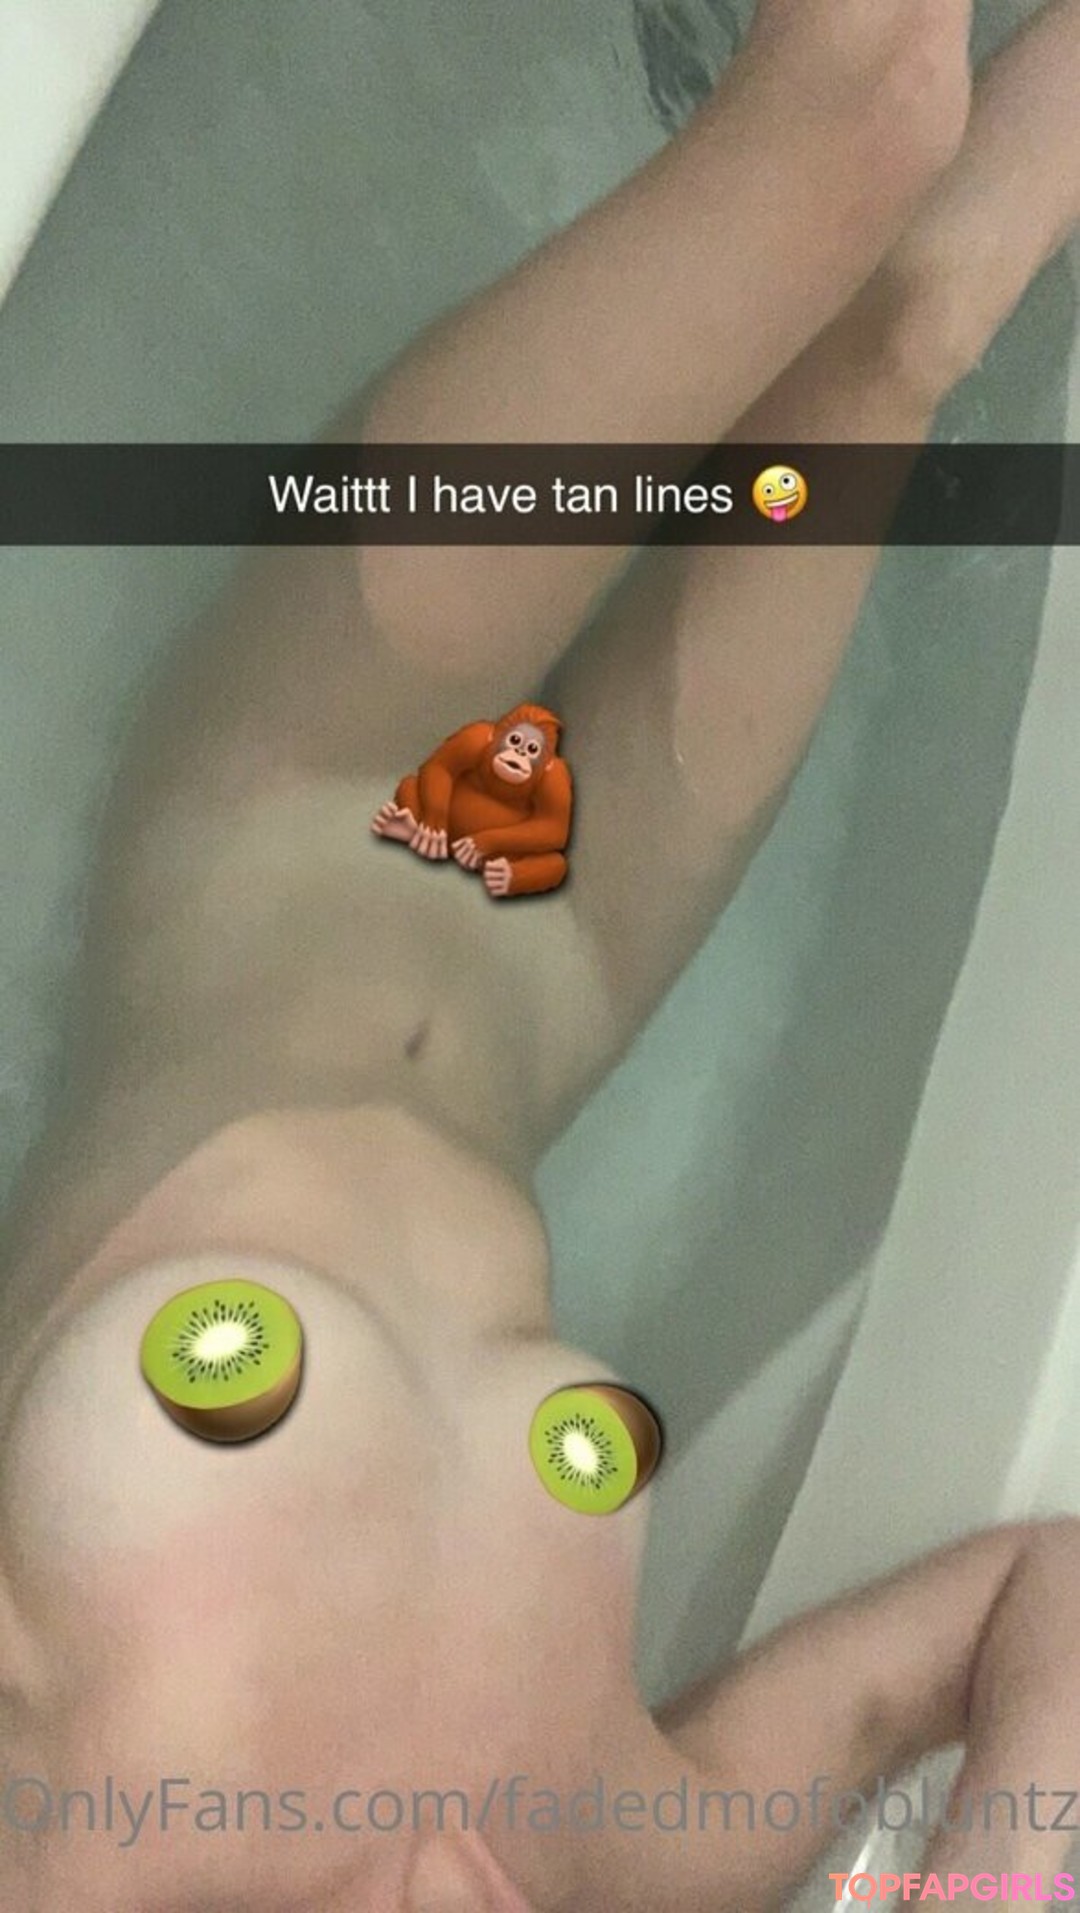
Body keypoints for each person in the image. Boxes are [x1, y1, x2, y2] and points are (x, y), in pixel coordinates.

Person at [1, 1, 1078, 1906]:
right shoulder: (617, 1867)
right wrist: (995, 1883)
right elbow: (1040, 1595)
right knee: (917, 319)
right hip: (574, 942)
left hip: (292, 788)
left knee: (847, 121)